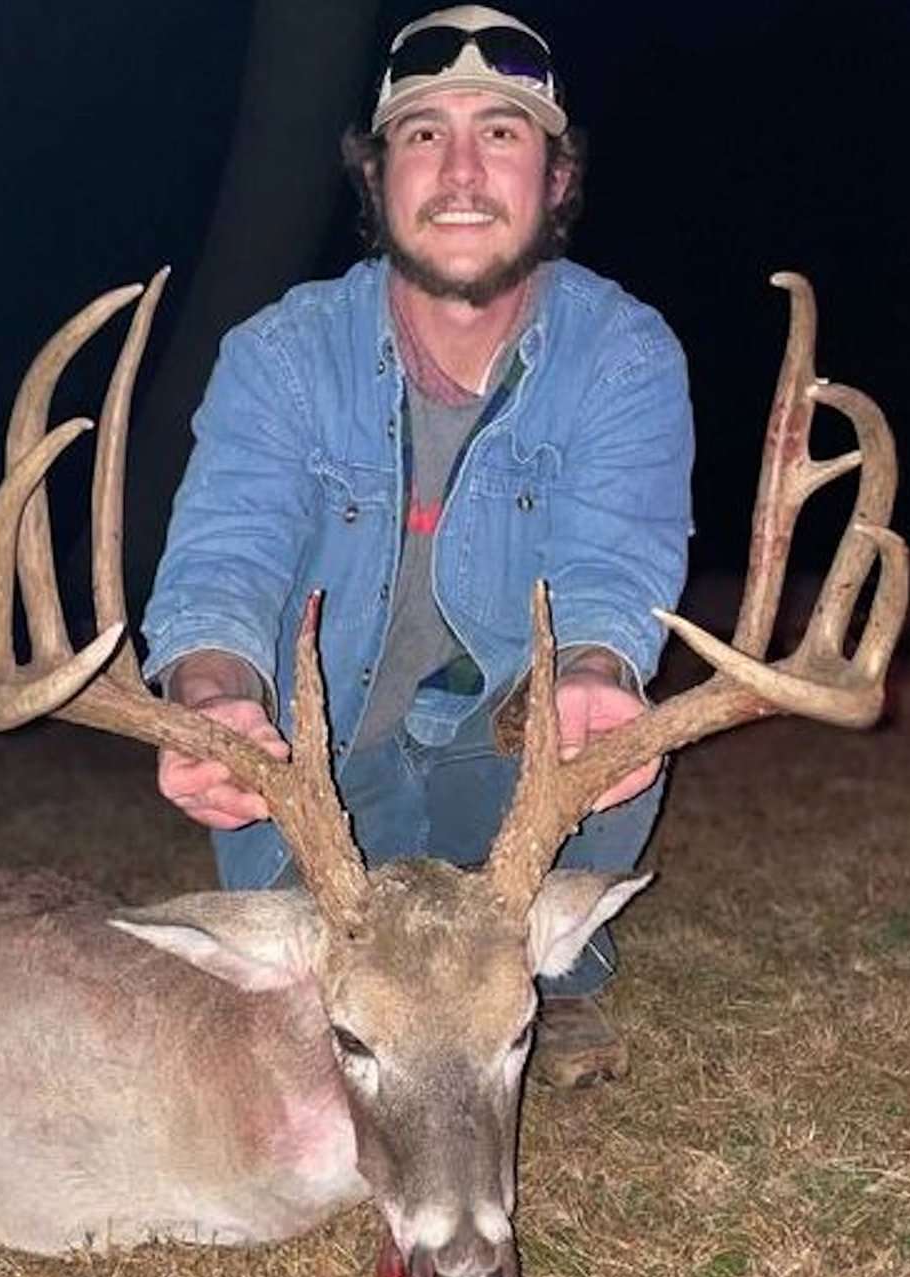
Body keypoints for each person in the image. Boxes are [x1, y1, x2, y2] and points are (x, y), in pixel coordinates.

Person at [141, 5, 693, 1089]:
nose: (460, 170)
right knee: (331, 970)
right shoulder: (282, 355)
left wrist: (594, 673)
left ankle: (551, 981)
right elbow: (225, 557)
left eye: (501, 133)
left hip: (506, 761)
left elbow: (614, 569)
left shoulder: (622, 354)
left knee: (613, 757)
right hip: (325, 770)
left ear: (556, 180)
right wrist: (212, 695)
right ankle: (480, 975)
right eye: (423, 134)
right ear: (377, 176)